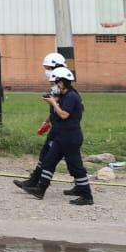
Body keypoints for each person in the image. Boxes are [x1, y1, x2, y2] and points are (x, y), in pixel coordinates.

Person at [14, 67, 93, 205]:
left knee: (75, 166)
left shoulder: (71, 96)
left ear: (61, 82)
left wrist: (53, 103)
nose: (54, 86)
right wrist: (52, 105)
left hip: (70, 137)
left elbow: (64, 115)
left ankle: (87, 196)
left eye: (55, 83)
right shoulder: (63, 96)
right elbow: (55, 113)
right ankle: (40, 189)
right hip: (60, 137)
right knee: (48, 161)